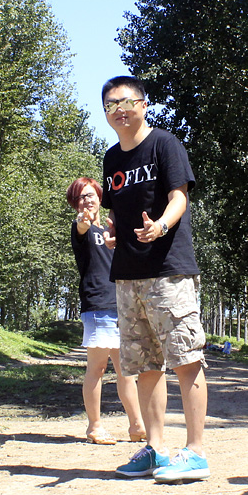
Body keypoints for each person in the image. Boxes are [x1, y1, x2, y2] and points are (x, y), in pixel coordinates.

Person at [100, 76, 209, 483]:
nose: (120, 110)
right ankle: (155, 449)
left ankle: (196, 452)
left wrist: (160, 225)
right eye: (111, 105)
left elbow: (179, 197)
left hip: (168, 270)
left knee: (185, 357)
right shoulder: (112, 158)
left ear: (143, 105)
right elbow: (116, 210)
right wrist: (113, 230)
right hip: (128, 275)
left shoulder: (165, 144)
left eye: (127, 101)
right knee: (144, 365)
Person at [66, 177, 146, 445]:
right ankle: (95, 427)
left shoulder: (111, 230)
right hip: (98, 305)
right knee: (97, 368)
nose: (87, 200)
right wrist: (83, 221)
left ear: (100, 198)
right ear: (75, 203)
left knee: (126, 371)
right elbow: (81, 225)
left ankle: (137, 426)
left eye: (90, 195)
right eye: (81, 197)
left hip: (122, 304)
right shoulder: (83, 229)